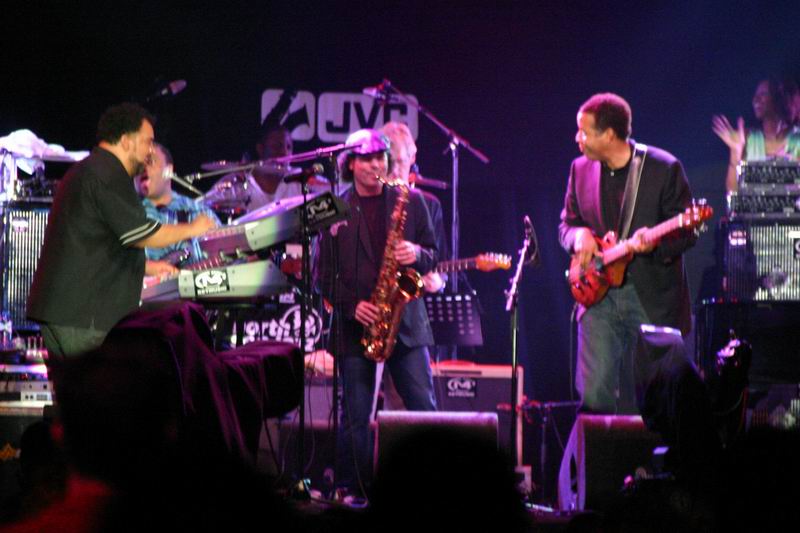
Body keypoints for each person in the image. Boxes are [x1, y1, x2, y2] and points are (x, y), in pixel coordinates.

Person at [27, 103, 216, 358]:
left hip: (66, 311)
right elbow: (142, 235)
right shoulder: (107, 173)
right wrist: (193, 228)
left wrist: (148, 268)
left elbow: (100, 244)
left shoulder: (90, 170)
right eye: (148, 142)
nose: (150, 151)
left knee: (79, 385)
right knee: (106, 382)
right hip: (84, 315)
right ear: (127, 141)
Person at [315, 129, 438, 498]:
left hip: (405, 321)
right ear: (350, 164)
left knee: (423, 407)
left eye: (380, 157)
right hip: (356, 325)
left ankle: (432, 484)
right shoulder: (334, 208)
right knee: (355, 414)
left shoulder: (410, 200)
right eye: (367, 159)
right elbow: (322, 275)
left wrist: (417, 253)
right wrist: (352, 306)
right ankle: (353, 488)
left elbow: (435, 254)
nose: (375, 165)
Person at [559, 93, 697, 414]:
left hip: (648, 295)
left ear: (609, 135)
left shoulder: (664, 168)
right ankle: (596, 448)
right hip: (598, 296)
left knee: (656, 400)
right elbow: (566, 224)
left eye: (584, 132)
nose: (577, 138)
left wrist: (655, 244)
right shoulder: (579, 170)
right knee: (594, 396)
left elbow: (687, 232)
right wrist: (578, 236)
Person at [380, 121, 448, 293]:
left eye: (400, 162)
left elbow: (440, 261)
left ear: (412, 157)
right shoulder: (366, 200)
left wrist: (439, 282)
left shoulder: (430, 204)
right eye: (389, 162)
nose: (395, 171)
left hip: (413, 302)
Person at [135, 142, 220, 267]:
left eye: (150, 161)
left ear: (169, 170)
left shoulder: (199, 212)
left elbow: (223, 258)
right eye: (137, 164)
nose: (142, 168)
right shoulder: (125, 215)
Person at [712, 78, 800, 192]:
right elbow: (733, 191)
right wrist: (735, 153)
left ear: (780, 97)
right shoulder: (748, 138)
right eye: (755, 96)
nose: (755, 100)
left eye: (763, 94)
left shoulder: (796, 139)